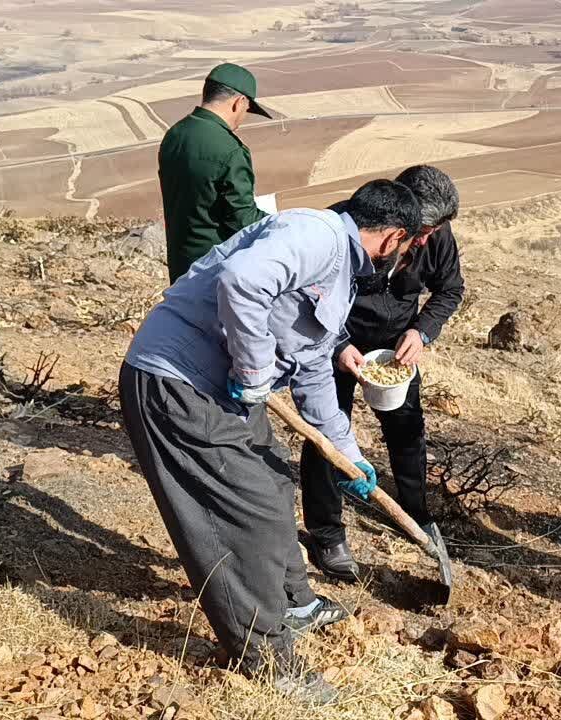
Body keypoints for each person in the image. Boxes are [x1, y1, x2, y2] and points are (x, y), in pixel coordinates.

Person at [118, 179, 421, 704]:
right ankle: (265, 657)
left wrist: (348, 453)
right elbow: (242, 280)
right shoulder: (318, 236)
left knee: (277, 482)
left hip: (227, 391)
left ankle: (292, 601)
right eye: (410, 245)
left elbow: (313, 366)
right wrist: (255, 368)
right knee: (247, 514)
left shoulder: (343, 272)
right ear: (394, 237)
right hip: (178, 382)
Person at [298, 165, 465, 582]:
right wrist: (338, 344)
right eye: (420, 230)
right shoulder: (347, 227)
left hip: (395, 349)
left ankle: (415, 516)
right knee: (326, 437)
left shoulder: (436, 237)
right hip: (334, 340)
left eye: (433, 231)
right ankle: (326, 533)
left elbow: (450, 289)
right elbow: (306, 296)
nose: (425, 240)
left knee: (407, 430)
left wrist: (421, 332)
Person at [159, 62, 272, 282]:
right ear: (239, 102)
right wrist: (281, 224)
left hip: (180, 266)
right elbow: (243, 219)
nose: (244, 117)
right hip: (214, 270)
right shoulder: (229, 149)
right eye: (247, 110)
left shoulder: (175, 134)